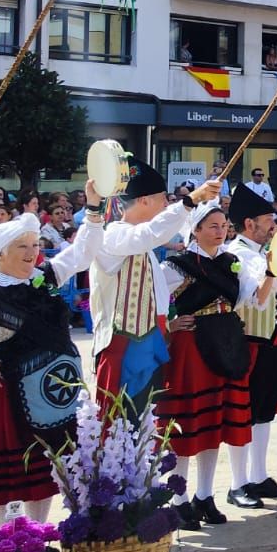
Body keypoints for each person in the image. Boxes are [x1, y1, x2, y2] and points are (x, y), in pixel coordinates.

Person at [0, 203, 101, 525]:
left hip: (54, 397)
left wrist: (93, 208)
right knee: (11, 474)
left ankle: (38, 538)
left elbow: (83, 252)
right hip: (8, 394)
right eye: (22, 246)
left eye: (35, 245)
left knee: (45, 470)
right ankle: (7, 543)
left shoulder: (45, 277)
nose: (31, 253)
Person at [158, 202, 264, 528]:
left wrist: (274, 271)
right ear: (196, 229)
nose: (220, 231)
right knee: (189, 425)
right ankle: (178, 499)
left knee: (214, 422)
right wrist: (171, 324)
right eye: (213, 226)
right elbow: (153, 301)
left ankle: (204, 495)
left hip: (227, 339)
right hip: (192, 346)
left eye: (223, 226)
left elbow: (252, 297)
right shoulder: (177, 266)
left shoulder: (232, 263)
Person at [89, 163, 220, 409]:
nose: (166, 205)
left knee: (146, 422)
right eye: (162, 199)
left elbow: (158, 296)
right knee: (121, 423)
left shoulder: (144, 243)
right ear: (144, 201)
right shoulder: (114, 236)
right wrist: (190, 201)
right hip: (123, 345)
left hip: (150, 342)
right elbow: (150, 234)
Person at [222, 183, 277, 508]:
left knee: (264, 412)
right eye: (267, 220)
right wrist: (274, 266)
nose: (272, 226)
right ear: (249, 224)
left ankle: (259, 475)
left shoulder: (261, 253)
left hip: (271, 342)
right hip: (247, 343)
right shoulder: (238, 254)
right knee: (244, 414)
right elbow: (260, 300)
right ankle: (238, 484)